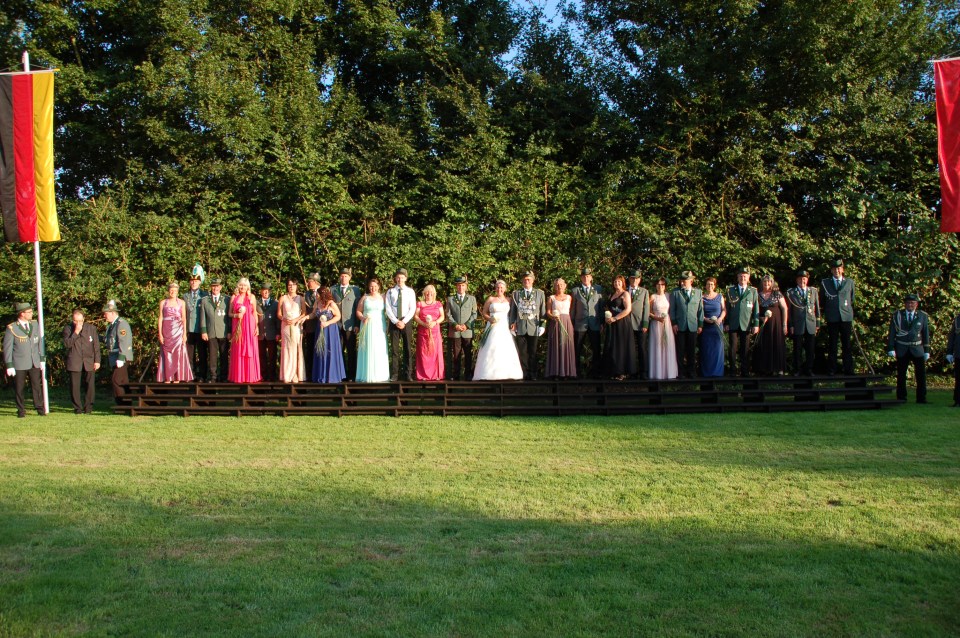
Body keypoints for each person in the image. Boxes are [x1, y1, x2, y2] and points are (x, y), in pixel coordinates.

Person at [474, 280, 524, 380]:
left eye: (501, 287)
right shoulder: (491, 299)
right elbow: (484, 313)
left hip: (505, 326)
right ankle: (488, 373)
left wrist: (513, 323)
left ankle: (506, 373)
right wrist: (490, 319)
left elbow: (514, 313)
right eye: (497, 287)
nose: (499, 289)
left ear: (505, 289)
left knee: (505, 348)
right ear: (495, 288)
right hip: (493, 325)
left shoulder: (509, 300)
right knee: (491, 346)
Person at [887, 293, 929, 404]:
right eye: (908, 303)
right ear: (905, 304)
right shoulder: (897, 315)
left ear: (916, 304)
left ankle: (921, 398)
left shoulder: (922, 315)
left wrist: (927, 350)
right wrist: (891, 348)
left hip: (917, 348)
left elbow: (925, 333)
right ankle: (901, 397)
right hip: (902, 347)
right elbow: (892, 332)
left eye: (912, 303)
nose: (910, 305)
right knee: (901, 374)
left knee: (921, 375)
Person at [4, 302, 45, 417]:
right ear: (22, 314)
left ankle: (39, 408)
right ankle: (21, 410)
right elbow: (7, 348)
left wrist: (42, 358)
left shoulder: (34, 324)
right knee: (19, 388)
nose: (32, 314)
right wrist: (9, 365)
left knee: (36, 386)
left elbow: (39, 342)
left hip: (34, 361)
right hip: (19, 363)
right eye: (29, 312)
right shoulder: (12, 328)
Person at [63, 308, 101, 414]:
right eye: (75, 321)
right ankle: (77, 408)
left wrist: (97, 360)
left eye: (80, 321)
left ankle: (88, 407)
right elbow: (67, 344)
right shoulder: (68, 329)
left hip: (89, 360)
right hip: (75, 361)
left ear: (84, 319)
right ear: (72, 320)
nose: (78, 323)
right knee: (74, 386)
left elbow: (96, 345)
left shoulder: (91, 328)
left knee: (90, 385)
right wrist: (76, 332)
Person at [821, 258, 855, 375]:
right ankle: (832, 369)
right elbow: (822, 300)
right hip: (832, 317)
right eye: (834, 269)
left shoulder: (849, 282)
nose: (837, 271)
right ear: (831, 270)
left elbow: (852, 299)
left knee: (847, 344)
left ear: (842, 269)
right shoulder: (825, 283)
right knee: (832, 344)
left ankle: (848, 369)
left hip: (846, 317)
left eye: (839, 268)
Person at [510, 271, 546, 380]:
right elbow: (513, 311)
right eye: (525, 279)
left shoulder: (539, 293)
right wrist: (512, 324)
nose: (527, 281)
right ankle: (524, 373)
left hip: (534, 327)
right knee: (522, 352)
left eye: (529, 279)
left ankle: (533, 373)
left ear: (533, 280)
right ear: (522, 280)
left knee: (533, 351)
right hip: (520, 327)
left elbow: (543, 311)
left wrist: (542, 325)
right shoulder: (516, 293)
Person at [725, 267, 759, 376]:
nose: (742, 278)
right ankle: (732, 371)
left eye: (745, 276)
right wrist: (726, 322)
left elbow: (756, 308)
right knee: (732, 348)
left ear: (748, 278)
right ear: (737, 277)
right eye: (740, 276)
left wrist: (756, 324)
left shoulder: (753, 291)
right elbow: (727, 308)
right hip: (733, 323)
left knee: (745, 349)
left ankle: (745, 371)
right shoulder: (730, 290)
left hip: (746, 323)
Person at [156, 281, 193, 383]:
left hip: (178, 330)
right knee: (166, 353)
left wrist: (184, 334)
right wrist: (160, 334)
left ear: (177, 292)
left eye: (175, 290)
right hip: (166, 330)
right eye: (171, 290)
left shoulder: (182, 302)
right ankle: (168, 377)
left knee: (178, 352)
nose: (173, 292)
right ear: (168, 291)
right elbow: (160, 318)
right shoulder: (163, 303)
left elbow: (184, 318)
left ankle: (177, 376)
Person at [669, 271, 703, 379]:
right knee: (680, 350)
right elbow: (672, 309)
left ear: (691, 281)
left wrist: (700, 324)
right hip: (680, 325)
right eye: (682, 281)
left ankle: (691, 372)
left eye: (685, 281)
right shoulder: (675, 292)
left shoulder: (698, 292)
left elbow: (700, 310)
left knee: (691, 350)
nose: (683, 283)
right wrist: (674, 323)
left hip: (693, 325)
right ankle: (680, 372)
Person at [786, 269, 819, 375]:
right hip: (797, 324)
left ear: (807, 280)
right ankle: (798, 369)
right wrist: (791, 325)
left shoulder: (813, 291)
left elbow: (817, 308)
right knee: (797, 348)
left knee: (810, 349)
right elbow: (789, 311)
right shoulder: (791, 292)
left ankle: (809, 369)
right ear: (797, 280)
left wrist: (817, 324)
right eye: (800, 279)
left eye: (804, 279)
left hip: (810, 323)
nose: (802, 281)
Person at [356, 277, 390, 382]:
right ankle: (366, 374)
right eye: (371, 286)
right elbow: (358, 311)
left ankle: (380, 375)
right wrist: (362, 318)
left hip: (379, 326)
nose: (373, 288)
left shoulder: (383, 297)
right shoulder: (365, 298)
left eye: (375, 286)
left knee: (379, 349)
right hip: (367, 325)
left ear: (378, 286)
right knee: (367, 348)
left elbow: (389, 312)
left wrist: (388, 325)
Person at [571, 267, 603, 378]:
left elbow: (600, 307)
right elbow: (573, 309)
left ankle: (596, 372)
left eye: (588, 276)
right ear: (581, 278)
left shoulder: (598, 289)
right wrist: (572, 323)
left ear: (591, 277)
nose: (586, 278)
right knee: (577, 349)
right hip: (580, 324)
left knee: (596, 348)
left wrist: (602, 322)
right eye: (584, 276)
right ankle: (576, 372)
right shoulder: (575, 291)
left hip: (594, 323)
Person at [228, 277, 261, 383]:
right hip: (238, 327)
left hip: (250, 327)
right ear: (238, 286)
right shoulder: (234, 297)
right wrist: (236, 315)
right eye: (241, 285)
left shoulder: (252, 297)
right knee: (238, 349)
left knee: (250, 348)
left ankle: (250, 375)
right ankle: (239, 376)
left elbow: (254, 312)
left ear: (248, 287)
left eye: (245, 285)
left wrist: (256, 326)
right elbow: (229, 313)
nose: (243, 287)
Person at [385, 268, 416, 381]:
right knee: (394, 350)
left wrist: (404, 321)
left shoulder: (410, 291)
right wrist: (396, 321)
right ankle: (395, 374)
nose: (400, 279)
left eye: (402, 277)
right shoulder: (390, 292)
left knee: (407, 348)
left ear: (405, 278)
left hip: (406, 321)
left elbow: (412, 308)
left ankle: (408, 374)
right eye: (398, 277)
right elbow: (388, 308)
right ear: (395, 278)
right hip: (394, 322)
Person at [753, 275, 788, 376]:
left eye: (769, 282)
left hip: (776, 324)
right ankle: (765, 369)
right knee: (763, 345)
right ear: (762, 283)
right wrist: (760, 319)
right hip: (763, 325)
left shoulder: (777, 294)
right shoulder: (758, 295)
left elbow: (784, 308)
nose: (767, 284)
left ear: (772, 283)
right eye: (765, 282)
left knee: (777, 344)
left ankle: (779, 368)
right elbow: (755, 311)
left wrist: (784, 324)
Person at [603, 275, 636, 380]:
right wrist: (608, 318)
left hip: (622, 323)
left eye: (619, 282)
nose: (617, 283)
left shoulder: (625, 294)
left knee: (621, 347)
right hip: (612, 324)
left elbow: (628, 309)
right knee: (613, 347)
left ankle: (622, 372)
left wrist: (616, 318)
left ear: (623, 283)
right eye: (615, 282)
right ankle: (613, 371)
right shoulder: (611, 294)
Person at [445, 276, 477, 381]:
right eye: (459, 285)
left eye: (463, 285)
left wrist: (466, 325)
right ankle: (456, 376)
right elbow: (448, 314)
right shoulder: (450, 299)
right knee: (456, 354)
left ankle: (468, 375)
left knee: (468, 354)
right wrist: (455, 325)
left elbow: (474, 314)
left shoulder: (472, 299)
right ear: (456, 286)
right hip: (455, 331)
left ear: (466, 286)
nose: (461, 287)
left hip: (467, 331)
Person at [333, 268, 362, 382]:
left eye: (346, 276)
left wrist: (357, 324)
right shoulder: (333, 289)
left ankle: (351, 375)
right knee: (338, 351)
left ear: (350, 277)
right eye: (342, 276)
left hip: (350, 325)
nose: (343, 278)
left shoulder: (355, 289)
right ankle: (340, 374)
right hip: (336, 325)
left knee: (351, 351)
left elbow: (357, 307)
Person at [312, 285, 346, 383]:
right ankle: (320, 375)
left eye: (317, 294)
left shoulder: (331, 304)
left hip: (330, 330)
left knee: (329, 350)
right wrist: (305, 318)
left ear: (322, 294)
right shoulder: (317, 303)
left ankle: (331, 376)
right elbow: (313, 314)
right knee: (320, 350)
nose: (316, 296)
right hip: (320, 329)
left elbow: (338, 316)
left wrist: (327, 323)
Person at [102, 300, 133, 405]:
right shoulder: (111, 325)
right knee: (123, 381)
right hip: (114, 356)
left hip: (121, 356)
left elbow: (124, 341)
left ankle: (122, 404)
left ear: (112, 313)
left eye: (106, 313)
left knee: (116, 380)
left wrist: (121, 357)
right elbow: (108, 340)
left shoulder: (121, 324)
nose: (104, 316)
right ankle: (127, 404)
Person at [200, 278, 231, 382]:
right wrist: (204, 331)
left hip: (223, 331)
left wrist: (229, 331)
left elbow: (229, 317)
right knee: (212, 356)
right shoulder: (205, 300)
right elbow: (203, 317)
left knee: (224, 355)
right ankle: (213, 376)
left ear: (220, 287)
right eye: (213, 286)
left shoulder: (227, 299)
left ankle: (224, 376)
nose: (215, 288)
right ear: (211, 287)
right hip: (211, 331)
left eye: (217, 286)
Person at [545, 278, 576, 380]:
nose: (559, 286)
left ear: (565, 286)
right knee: (556, 346)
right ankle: (556, 372)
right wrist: (552, 316)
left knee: (566, 346)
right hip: (555, 322)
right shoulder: (551, 298)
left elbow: (571, 311)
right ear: (554, 287)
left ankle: (567, 372)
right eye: (557, 285)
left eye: (561, 284)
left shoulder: (569, 297)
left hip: (567, 322)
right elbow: (548, 312)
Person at [278, 278, 307, 383]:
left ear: (296, 286)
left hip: (296, 326)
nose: (291, 287)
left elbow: (304, 313)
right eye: (290, 285)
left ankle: (296, 374)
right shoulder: (282, 298)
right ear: (287, 286)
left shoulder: (301, 298)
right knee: (286, 348)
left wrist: (296, 319)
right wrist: (284, 319)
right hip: (285, 326)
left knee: (296, 348)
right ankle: (286, 374)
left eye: (293, 285)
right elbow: (279, 314)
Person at [648, 278, 678, 379]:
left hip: (667, 323)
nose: (660, 286)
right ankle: (657, 373)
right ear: (655, 286)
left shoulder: (668, 296)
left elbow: (672, 310)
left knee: (667, 346)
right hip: (656, 324)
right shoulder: (653, 296)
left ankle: (668, 372)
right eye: (658, 284)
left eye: (662, 284)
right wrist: (657, 318)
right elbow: (648, 311)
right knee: (657, 346)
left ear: (665, 286)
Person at [414, 285, 445, 381]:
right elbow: (416, 316)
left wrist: (435, 322)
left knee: (435, 352)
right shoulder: (420, 304)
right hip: (423, 332)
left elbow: (442, 316)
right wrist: (423, 323)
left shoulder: (438, 304)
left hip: (435, 331)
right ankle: (423, 375)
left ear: (434, 293)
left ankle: (436, 375)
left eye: (431, 292)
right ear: (424, 293)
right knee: (424, 353)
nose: (429, 294)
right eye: (427, 292)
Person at [183, 270, 208, 381]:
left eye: (196, 281)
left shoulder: (205, 295)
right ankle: (191, 374)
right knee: (190, 354)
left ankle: (202, 375)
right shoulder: (185, 296)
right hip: (189, 328)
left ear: (199, 282)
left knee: (202, 353)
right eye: (192, 281)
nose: (194, 283)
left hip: (200, 328)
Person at [700, 277, 726, 377]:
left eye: (712, 284)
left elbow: (724, 310)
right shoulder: (702, 297)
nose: (710, 286)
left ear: (714, 286)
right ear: (705, 286)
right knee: (707, 350)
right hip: (706, 327)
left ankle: (717, 373)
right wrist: (705, 319)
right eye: (708, 284)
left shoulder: (720, 296)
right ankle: (706, 373)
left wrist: (720, 319)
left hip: (717, 327)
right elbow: (699, 312)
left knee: (717, 350)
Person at [627, 269, 650, 379]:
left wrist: (645, 324)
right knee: (630, 349)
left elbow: (646, 308)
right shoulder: (625, 291)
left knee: (642, 348)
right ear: (629, 279)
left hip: (640, 323)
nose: (634, 280)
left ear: (639, 280)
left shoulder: (644, 291)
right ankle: (631, 371)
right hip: (627, 323)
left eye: (636, 278)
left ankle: (643, 371)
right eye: (632, 278)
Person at [257, 283, 280, 382]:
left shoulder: (275, 303)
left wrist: (278, 332)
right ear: (261, 291)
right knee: (261, 356)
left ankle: (272, 376)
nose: (266, 292)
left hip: (272, 333)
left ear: (270, 292)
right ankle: (263, 375)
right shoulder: (256, 303)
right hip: (260, 334)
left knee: (272, 356)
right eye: (264, 290)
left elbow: (278, 319)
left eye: (267, 290)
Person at [945, 312, 960, 406]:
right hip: (959, 353)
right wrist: (949, 352)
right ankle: (958, 401)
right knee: (958, 379)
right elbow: (952, 337)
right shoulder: (958, 319)